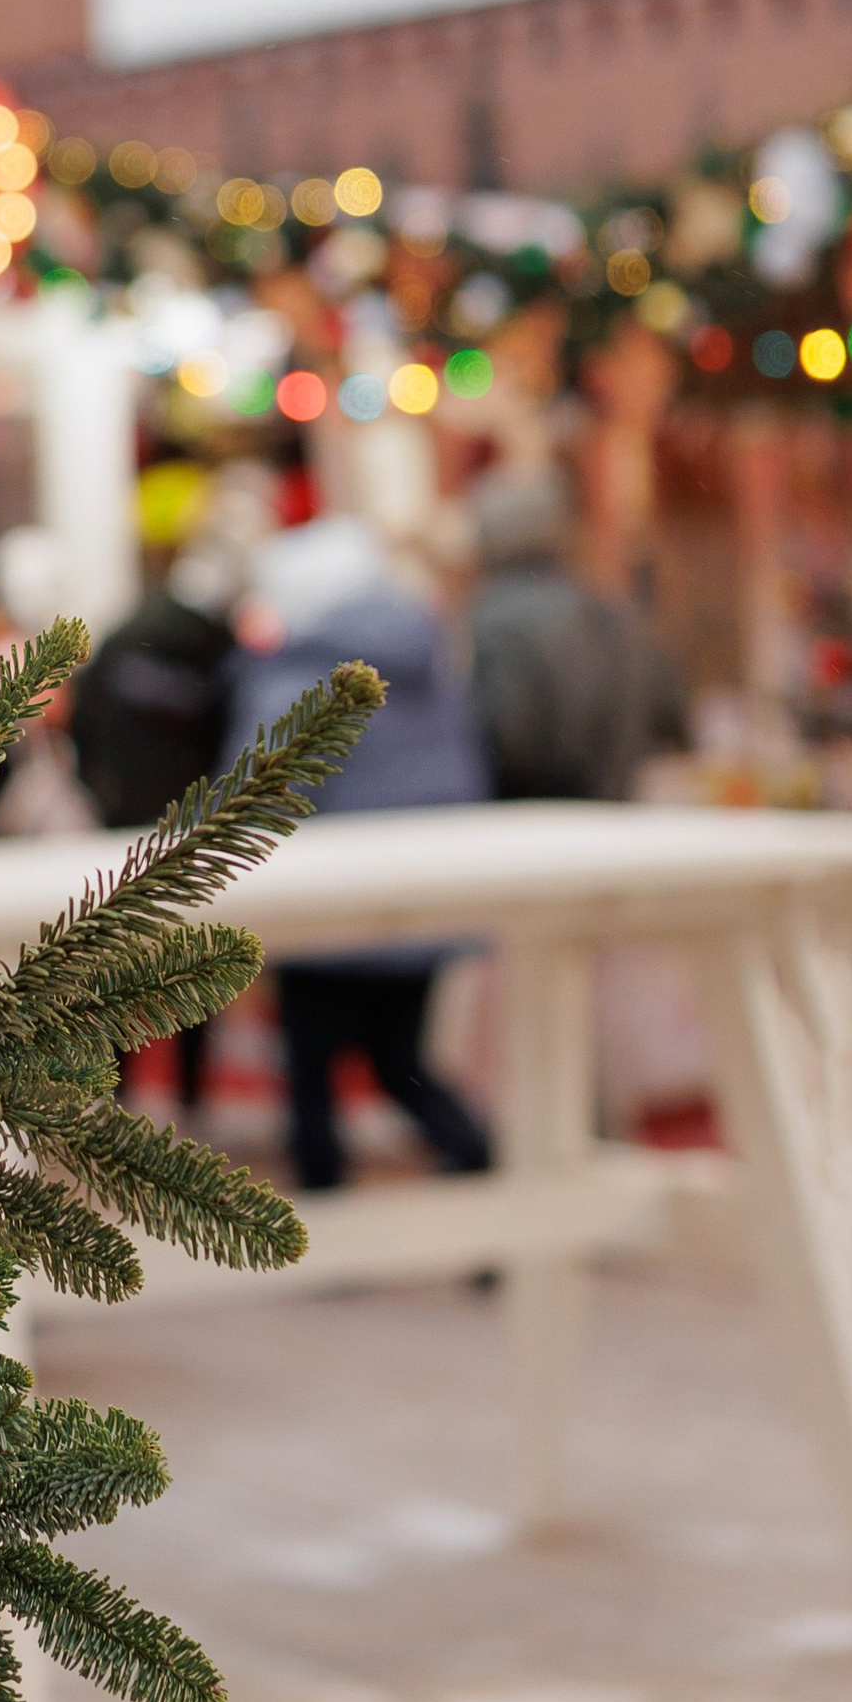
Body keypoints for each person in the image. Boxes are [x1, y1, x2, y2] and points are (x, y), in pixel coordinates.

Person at [220, 516, 494, 1195]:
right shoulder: (428, 659)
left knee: (309, 1070)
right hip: (423, 896)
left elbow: (255, 794)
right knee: (399, 1059)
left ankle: (327, 1219)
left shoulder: (297, 674)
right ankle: (482, 1166)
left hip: (325, 907)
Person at [69, 572, 237, 1108]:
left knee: (116, 967)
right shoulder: (219, 653)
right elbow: (235, 736)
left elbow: (83, 728)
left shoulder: (122, 643)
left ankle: (117, 1093)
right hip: (193, 829)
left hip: (122, 831)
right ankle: (194, 1095)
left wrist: (103, 793)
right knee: (194, 959)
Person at [465, 467, 670, 802]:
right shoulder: (604, 608)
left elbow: (508, 738)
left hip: (537, 822)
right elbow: (665, 713)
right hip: (614, 808)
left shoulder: (496, 618)